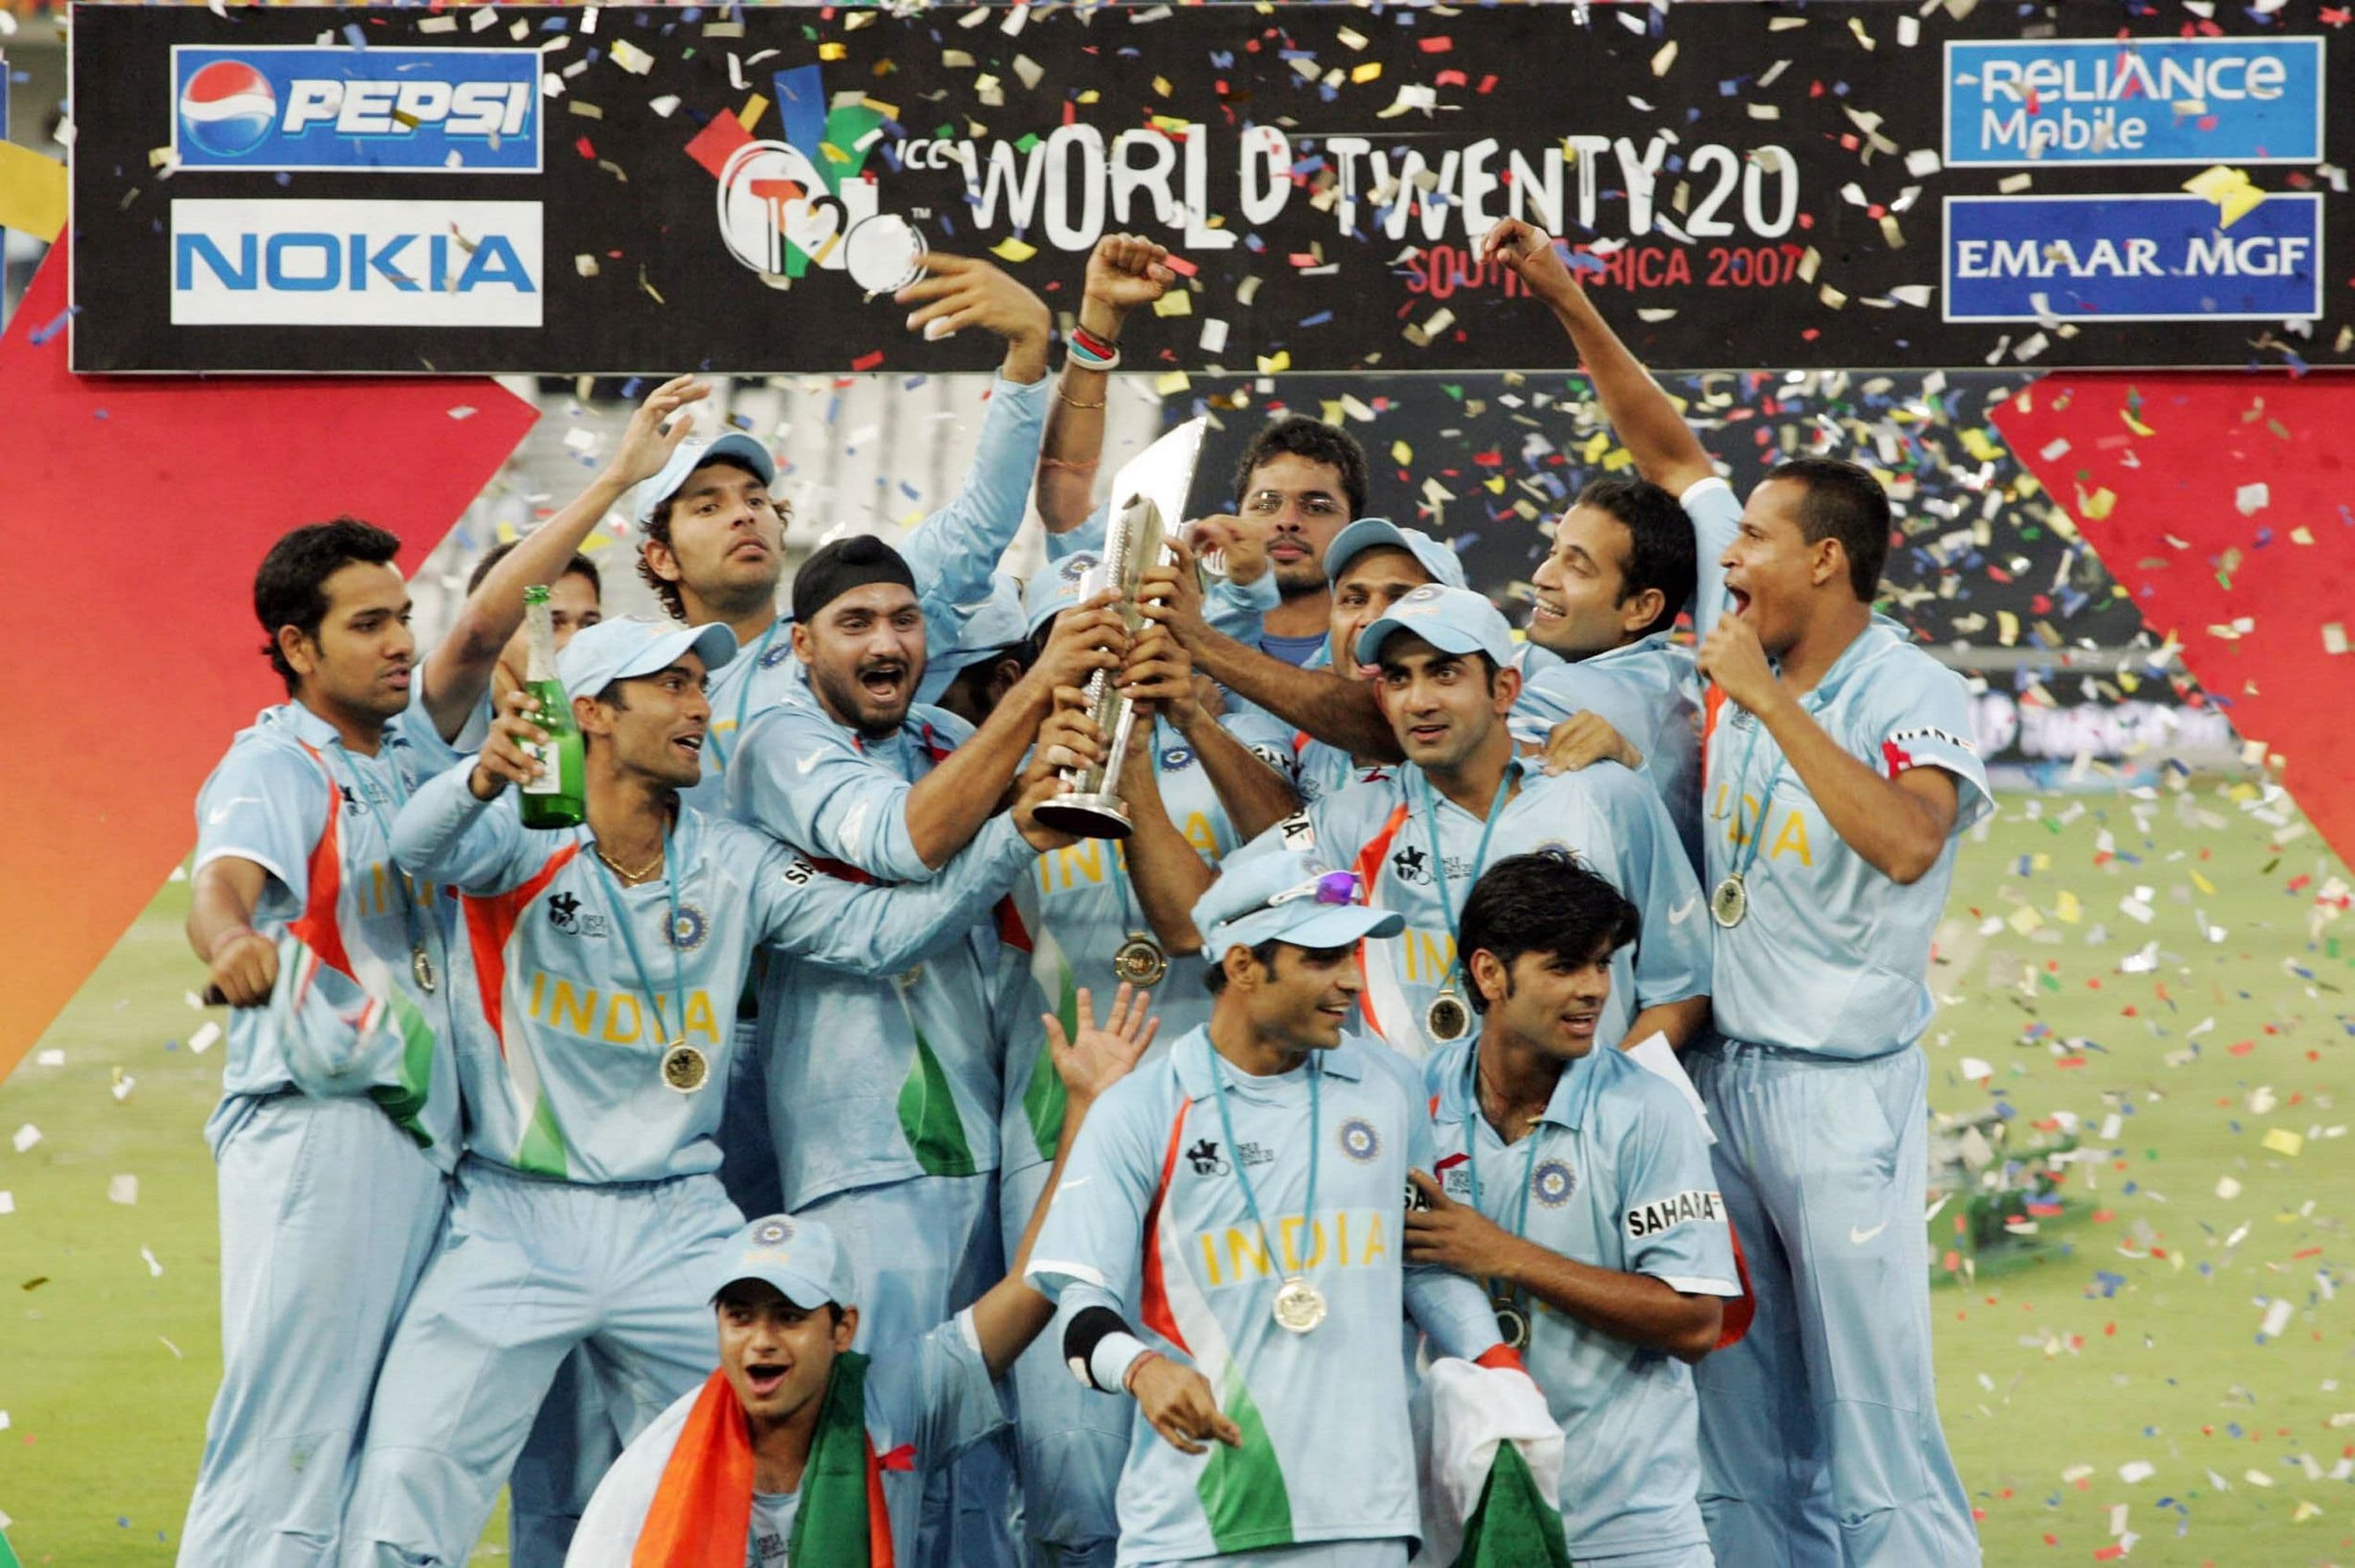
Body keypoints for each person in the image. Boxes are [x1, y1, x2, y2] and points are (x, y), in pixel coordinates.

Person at [336, 617, 1075, 1566]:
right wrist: (484, 775)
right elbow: (416, 848)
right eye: (674, 686)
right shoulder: (519, 841)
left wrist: (1012, 837)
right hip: (515, 1216)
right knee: (408, 1489)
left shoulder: (735, 861)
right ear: (595, 713)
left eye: (700, 684)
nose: (700, 707)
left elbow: (882, 934)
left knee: (777, 1478)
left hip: (679, 1225)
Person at [1502, 224, 1989, 1564]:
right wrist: (1566, 299)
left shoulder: (1906, 689)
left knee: (1874, 1419)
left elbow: (1903, 842)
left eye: (1757, 540)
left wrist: (1768, 702)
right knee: (1738, 1417)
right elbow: (1669, 452)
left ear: (1824, 560)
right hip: (1713, 1081)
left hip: (1840, 1093)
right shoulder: (1737, 636)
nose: (1731, 555)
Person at [724, 535, 1126, 1567]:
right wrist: (1035, 709)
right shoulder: (779, 741)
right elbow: (903, 851)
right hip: (864, 1167)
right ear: (802, 644)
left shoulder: (947, 736)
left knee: (981, 1462)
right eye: (856, 623)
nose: (887, 640)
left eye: (903, 619)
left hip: (988, 1158)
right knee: (880, 1458)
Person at [1025, 849, 1517, 1565]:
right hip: (1196, 1524)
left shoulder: (1390, 1086)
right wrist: (1141, 1369)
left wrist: (1499, 1372)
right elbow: (1079, 1310)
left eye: (1352, 952)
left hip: (1363, 1515)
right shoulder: (1139, 1110)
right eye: (1322, 957)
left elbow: (1426, 1264)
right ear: (1244, 965)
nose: (1351, 979)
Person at [563, 983, 1157, 1568]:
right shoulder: (658, 1469)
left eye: (790, 1316)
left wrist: (1084, 1112)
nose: (762, 1340)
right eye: (739, 1317)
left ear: (842, 1329)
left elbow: (1032, 1284)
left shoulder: (898, 1399)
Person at [973, 556, 1301, 1568]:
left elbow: (1212, 922)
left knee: (1214, 1420)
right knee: (1067, 1452)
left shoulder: (1226, 753)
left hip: (1209, 1135)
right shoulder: (1002, 777)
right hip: (1056, 1123)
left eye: (1129, 637)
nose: (1111, 660)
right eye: (1085, 640)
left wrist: (1154, 748)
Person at [177, 519, 472, 1567]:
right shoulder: (275, 761)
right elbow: (221, 884)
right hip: (324, 1130)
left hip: (412, 1134)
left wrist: (619, 478)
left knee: (374, 1456)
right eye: (369, 623)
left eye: (403, 615)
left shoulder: (397, 754)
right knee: (285, 1450)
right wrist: (231, 942)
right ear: (299, 647)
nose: (401, 639)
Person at [1127, 584, 1711, 1066]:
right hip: (1417, 1153)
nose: (1419, 701)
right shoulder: (1352, 818)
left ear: (1503, 689)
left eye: (1444, 674)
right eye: (1400, 679)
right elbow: (1189, 925)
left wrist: (1607, 1099)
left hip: (1578, 1150)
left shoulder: (1606, 796)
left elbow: (1681, 987)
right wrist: (1129, 760)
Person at [1408, 851, 1739, 1568]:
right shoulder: (1412, 1098)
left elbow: (1694, 1322)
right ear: (1490, 974)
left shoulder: (1650, 1112)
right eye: (1564, 967)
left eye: (1602, 965)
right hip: (1462, 1516)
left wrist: (1504, 1256)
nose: (1593, 991)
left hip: (1627, 1531)